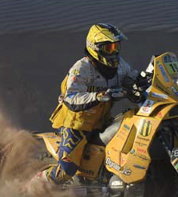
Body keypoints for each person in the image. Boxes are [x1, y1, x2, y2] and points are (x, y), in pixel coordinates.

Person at [34, 23, 140, 185]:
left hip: (101, 121)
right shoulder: (82, 68)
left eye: (116, 47)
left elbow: (133, 77)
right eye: (109, 48)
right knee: (67, 169)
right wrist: (98, 96)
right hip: (76, 124)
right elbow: (71, 97)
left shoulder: (120, 66)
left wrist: (147, 80)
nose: (114, 52)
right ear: (95, 47)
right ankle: (32, 185)